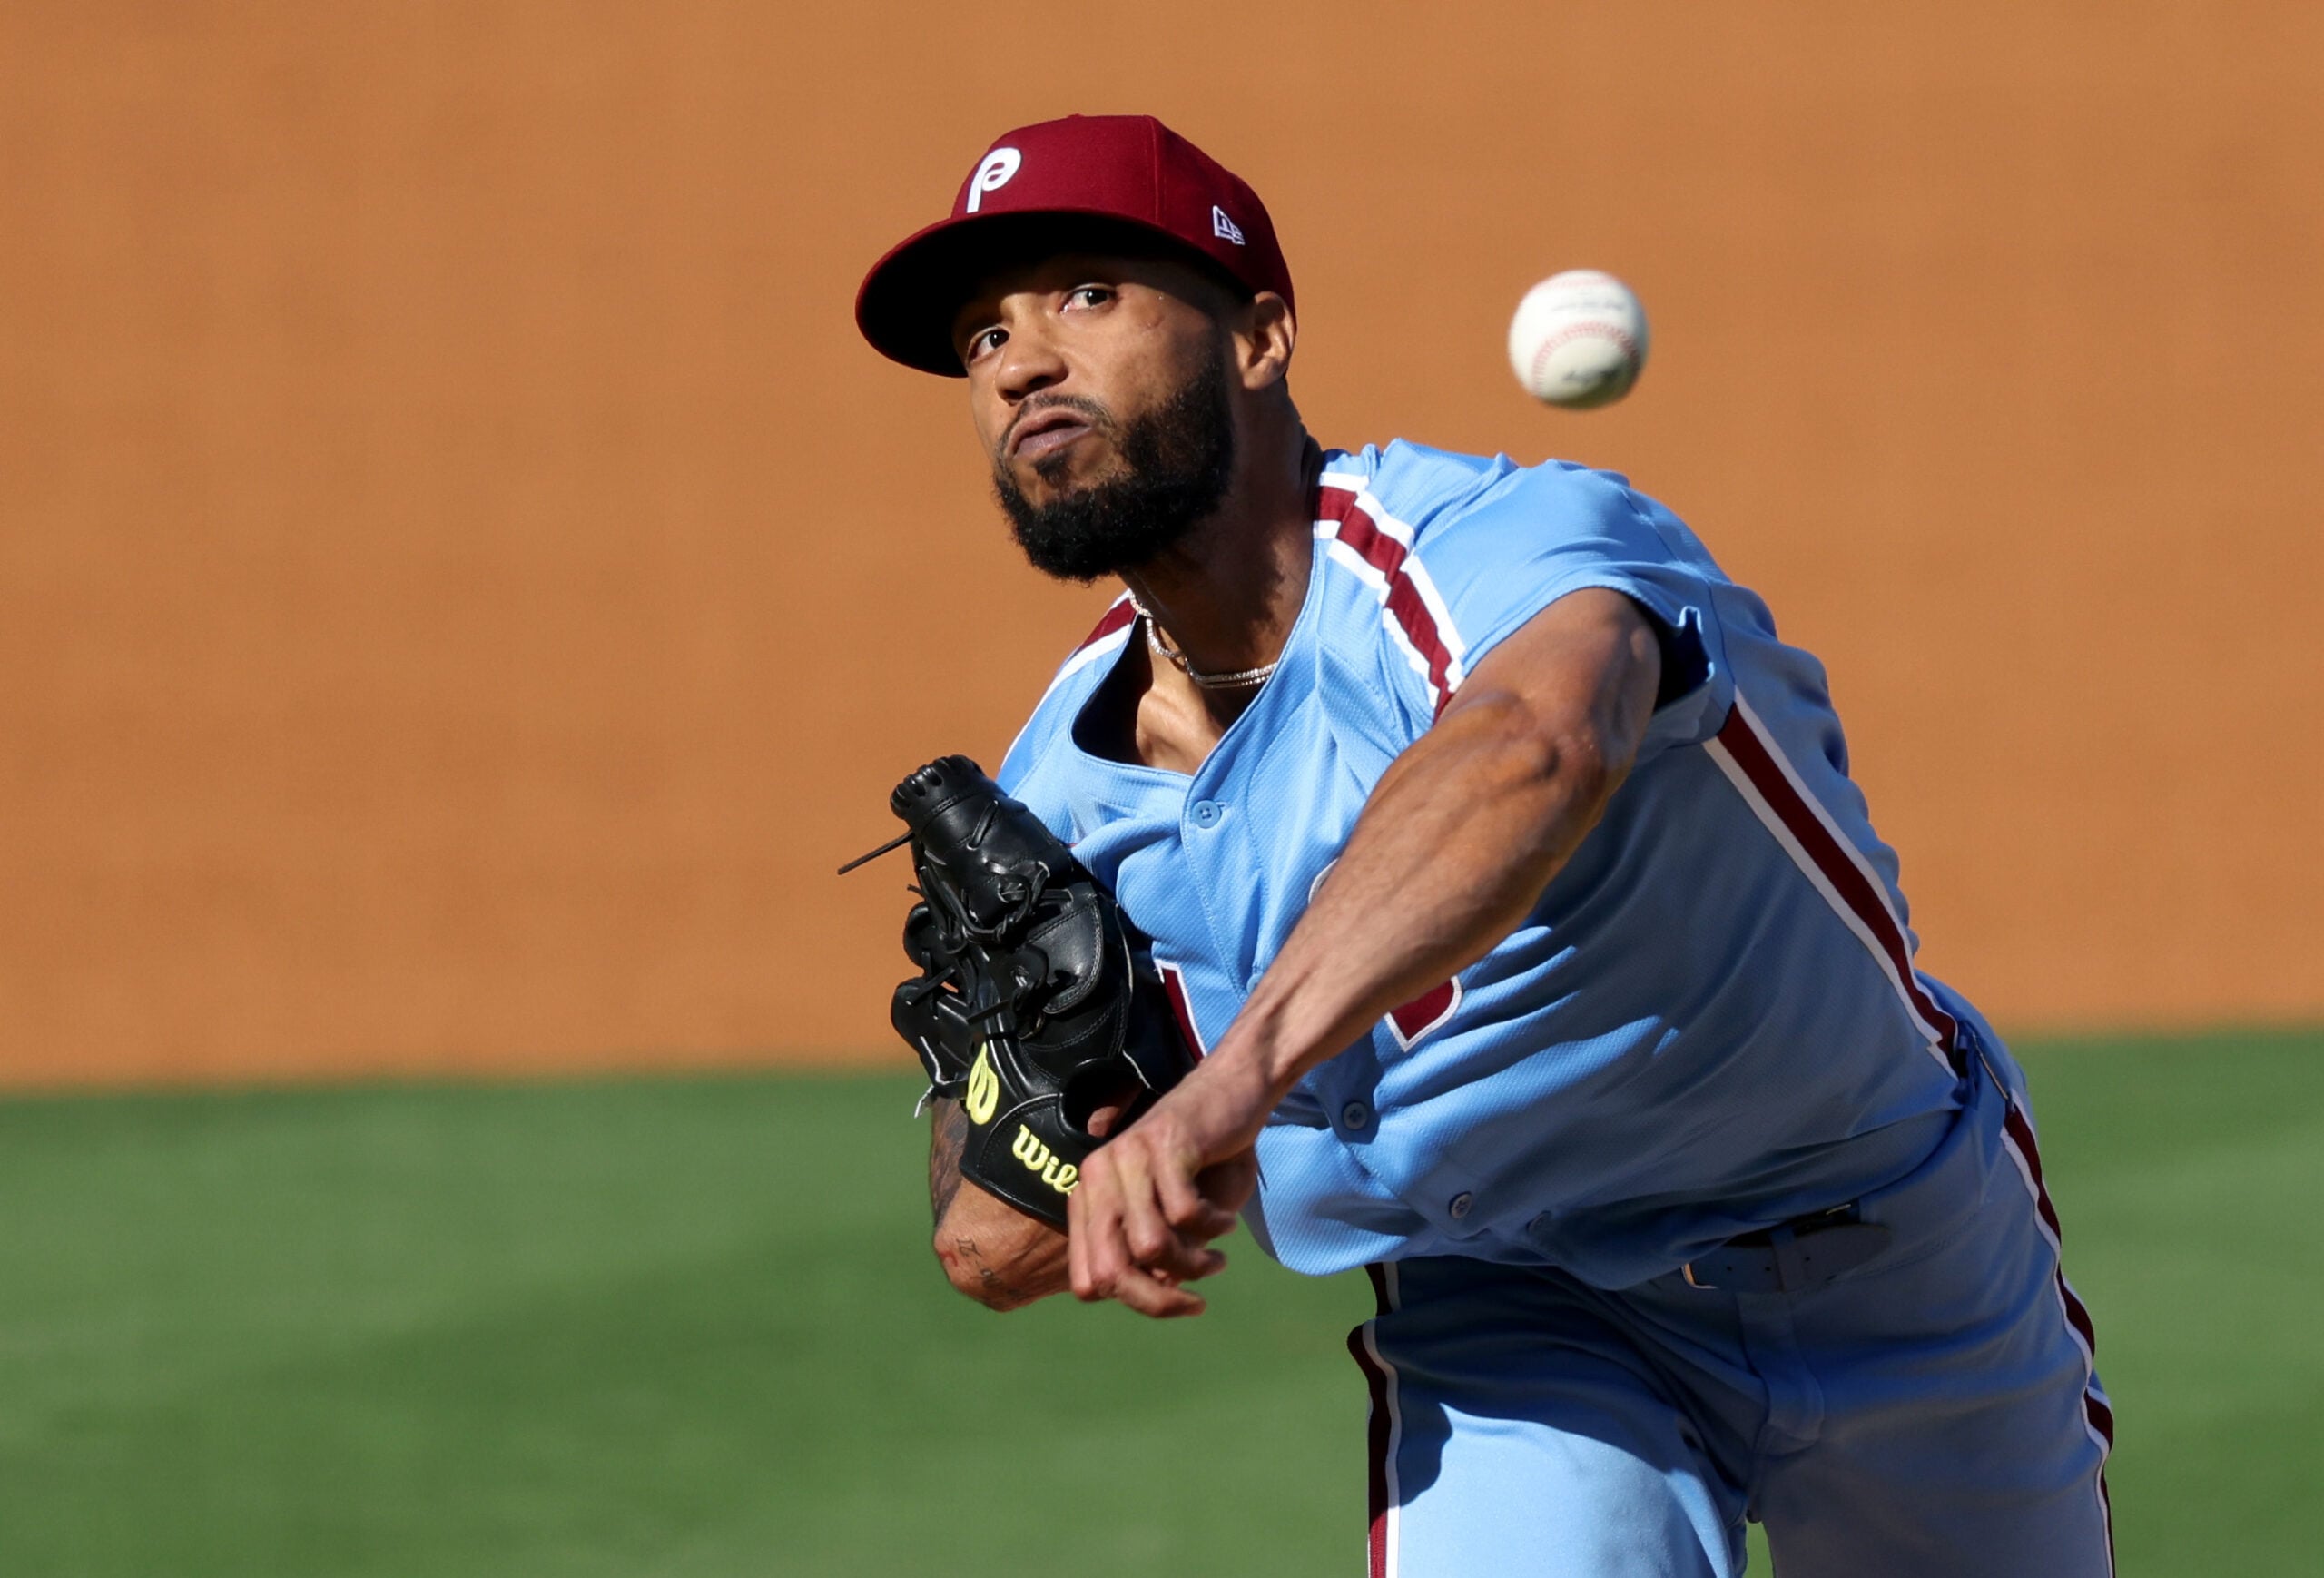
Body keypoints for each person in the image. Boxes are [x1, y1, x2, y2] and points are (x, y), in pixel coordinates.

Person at [853, 113, 2115, 1578]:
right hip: (1528, 1323)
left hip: (1892, 1255)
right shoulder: (1060, 793)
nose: (1017, 362)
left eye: (1084, 294)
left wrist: (1231, 1081)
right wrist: (1038, 1116)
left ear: (1260, 337)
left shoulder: (1496, 541)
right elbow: (992, 1249)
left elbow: (1537, 745)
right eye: (981, 337)